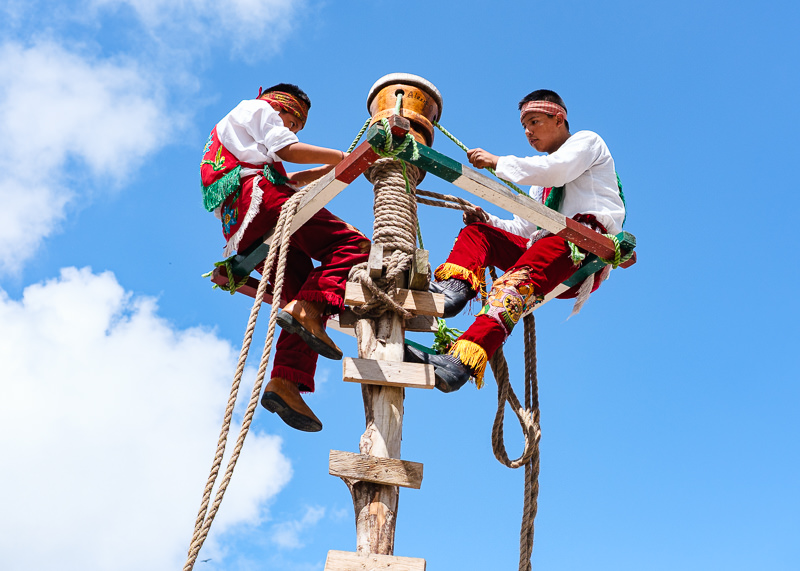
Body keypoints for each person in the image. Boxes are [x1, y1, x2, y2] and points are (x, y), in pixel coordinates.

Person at [407, 89, 625, 392]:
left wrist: (497, 162)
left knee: (513, 284)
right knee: (478, 234)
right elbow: (525, 227)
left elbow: (557, 171)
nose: (528, 132)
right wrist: (489, 222)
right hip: (548, 244)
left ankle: (461, 361)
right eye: (524, 126)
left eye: (534, 121)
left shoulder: (586, 142)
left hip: (579, 247)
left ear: (558, 118)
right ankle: (453, 291)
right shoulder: (541, 183)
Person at [201, 83, 370, 432]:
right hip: (262, 199)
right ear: (284, 105)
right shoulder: (257, 108)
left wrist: (331, 170)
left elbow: (288, 176)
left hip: (242, 227)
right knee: (353, 246)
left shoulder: (240, 138)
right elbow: (288, 151)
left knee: (302, 292)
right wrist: (339, 157)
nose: (292, 129)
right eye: (295, 121)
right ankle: (306, 310)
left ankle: (285, 381)